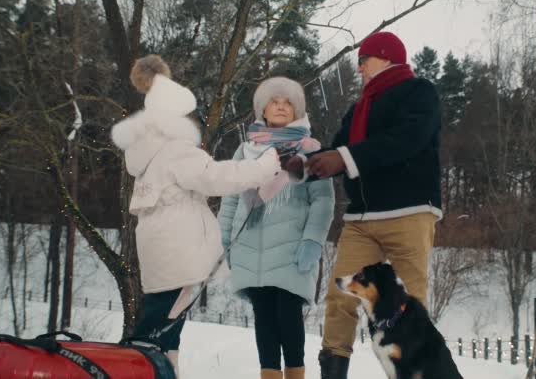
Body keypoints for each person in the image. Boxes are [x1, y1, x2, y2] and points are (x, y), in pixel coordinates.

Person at [110, 55, 281, 378]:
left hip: (160, 248)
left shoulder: (149, 154)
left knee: (164, 323)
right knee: (158, 328)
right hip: (178, 249)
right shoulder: (175, 149)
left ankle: (165, 369)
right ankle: (138, 371)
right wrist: (264, 167)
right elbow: (216, 177)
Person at [288, 32, 442, 379]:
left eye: (364, 61)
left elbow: (406, 140)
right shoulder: (359, 109)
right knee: (340, 297)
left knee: (411, 305)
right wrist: (302, 165)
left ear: (387, 57)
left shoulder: (420, 93)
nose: (359, 69)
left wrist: (343, 158)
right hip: (360, 219)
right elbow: (337, 151)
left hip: (409, 213)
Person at [217, 77, 335, 379]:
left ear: (297, 111)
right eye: (274, 101)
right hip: (250, 248)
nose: (281, 106)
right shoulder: (245, 151)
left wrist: (313, 240)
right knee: (264, 319)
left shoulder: (310, 152)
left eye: (287, 103)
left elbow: (322, 201)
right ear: (263, 110)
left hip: (291, 248)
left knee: (288, 316)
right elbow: (231, 198)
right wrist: (225, 240)